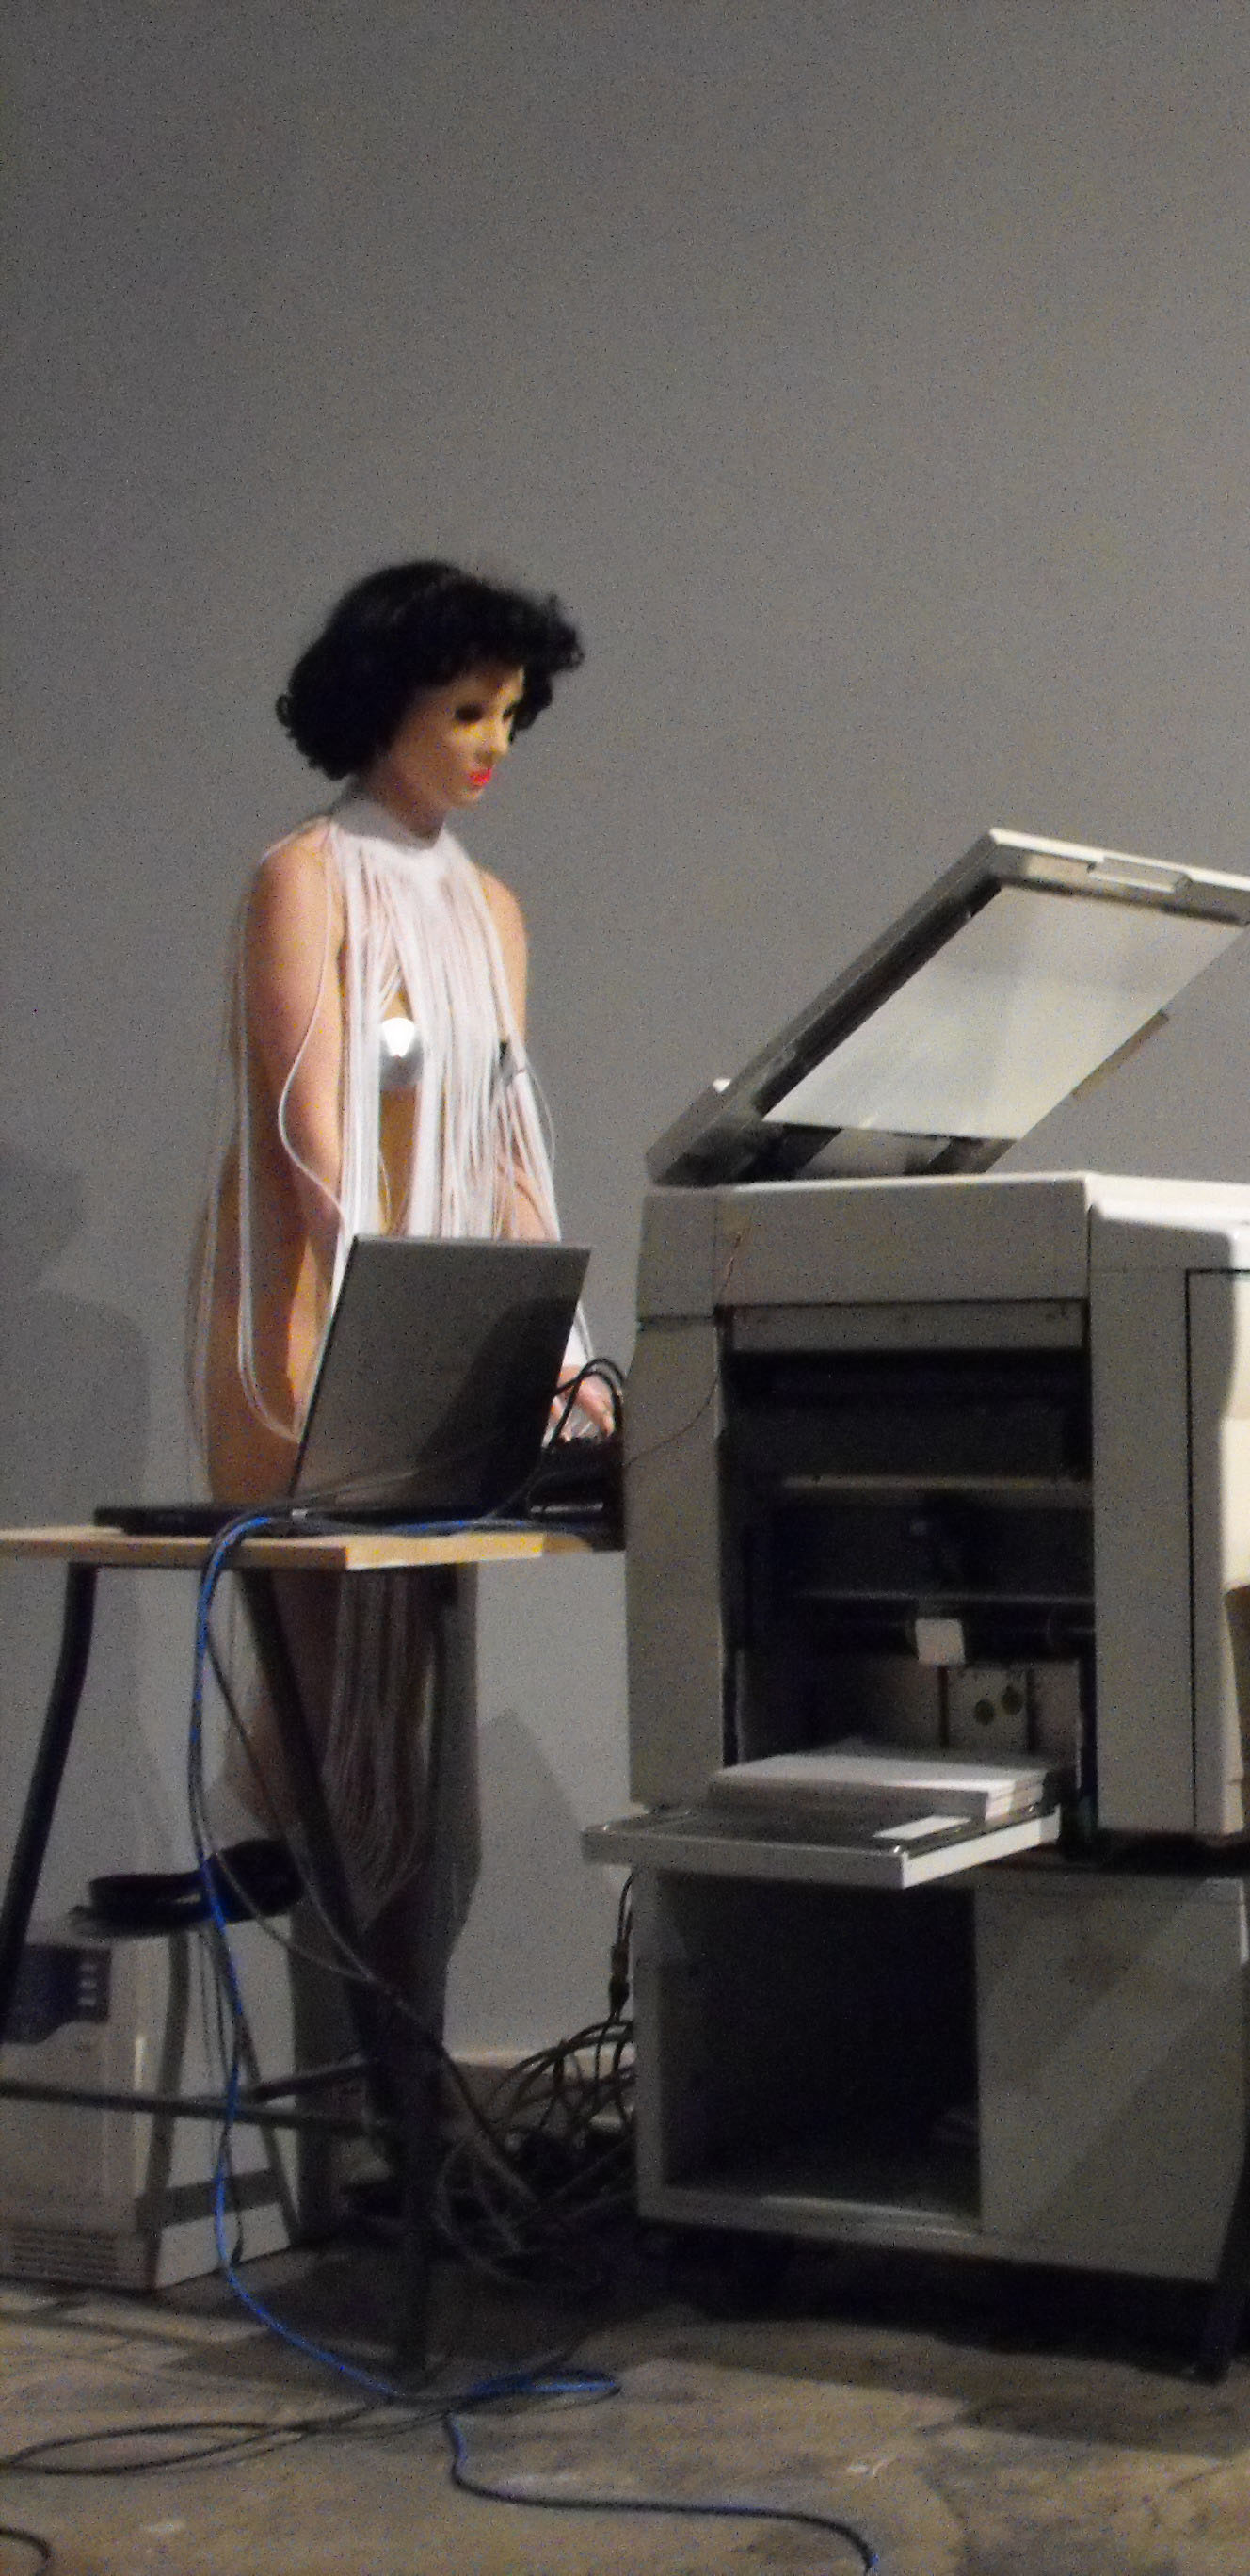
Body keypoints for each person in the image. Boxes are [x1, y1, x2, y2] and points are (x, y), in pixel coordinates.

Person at [190, 558, 593, 2019]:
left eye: (510, 714)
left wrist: (554, 1347)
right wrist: (386, 1322)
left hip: (430, 1332)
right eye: (468, 710)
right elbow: (311, 1131)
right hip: (309, 1325)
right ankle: (350, 2093)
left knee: (412, 1725)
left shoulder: (491, 912)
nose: (494, 743)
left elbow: (504, 1143)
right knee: (329, 1726)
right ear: (387, 704)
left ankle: (396, 2090)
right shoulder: (305, 879)